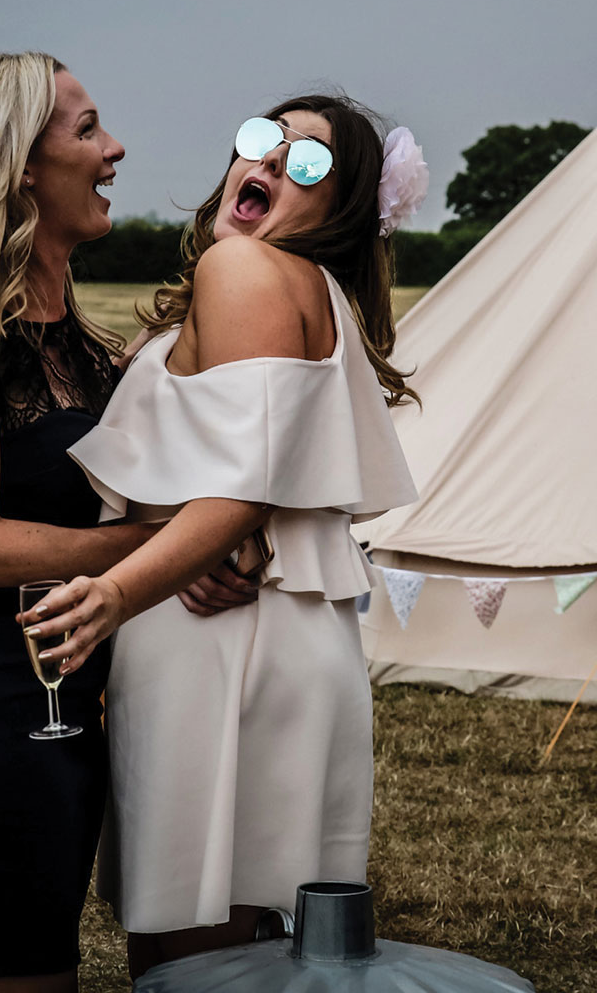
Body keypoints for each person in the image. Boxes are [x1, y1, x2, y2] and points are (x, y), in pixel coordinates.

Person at [23, 93, 428, 978]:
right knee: (263, 948)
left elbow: (245, 485)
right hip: (273, 635)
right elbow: (246, 474)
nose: (273, 163)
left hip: (227, 644)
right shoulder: (297, 284)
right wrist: (192, 532)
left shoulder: (242, 269)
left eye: (310, 163)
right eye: (263, 140)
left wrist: (122, 589)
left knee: (197, 952)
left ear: (343, 209)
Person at [0, 52, 255, 993]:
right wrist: (163, 556)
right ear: (17, 168)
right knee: (21, 972)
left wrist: (211, 540)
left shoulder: (87, 347)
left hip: (77, 702)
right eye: (87, 129)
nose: (115, 147)